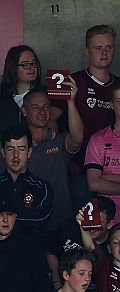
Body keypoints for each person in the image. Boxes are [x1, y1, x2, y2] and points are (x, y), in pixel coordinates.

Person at [15, 86, 85, 236]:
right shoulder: (14, 145)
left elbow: (77, 138)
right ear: (24, 111)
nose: (42, 112)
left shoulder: (59, 141)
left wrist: (71, 102)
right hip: (25, 226)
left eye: (46, 107)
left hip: (60, 225)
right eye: (35, 107)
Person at [84, 80, 120, 225]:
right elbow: (93, 183)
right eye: (118, 101)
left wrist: (110, 177)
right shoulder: (98, 139)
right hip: (108, 223)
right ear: (111, 104)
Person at [72, 25, 120, 143]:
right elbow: (52, 118)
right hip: (79, 158)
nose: (104, 53)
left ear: (114, 50)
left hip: (116, 156)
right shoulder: (73, 82)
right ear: (87, 51)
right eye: (98, 48)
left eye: (108, 47)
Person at [0, 125, 54, 232]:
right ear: (3, 152)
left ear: (29, 152)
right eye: (10, 149)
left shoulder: (42, 188)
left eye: (21, 149)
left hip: (30, 246)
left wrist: (6, 218)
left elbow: (40, 219)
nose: (16, 155)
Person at [0, 46, 43, 126]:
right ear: (13, 68)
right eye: (25, 65)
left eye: (34, 63)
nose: (32, 68)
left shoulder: (44, 95)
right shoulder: (3, 97)